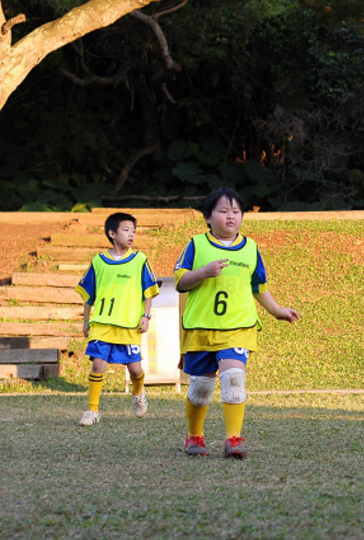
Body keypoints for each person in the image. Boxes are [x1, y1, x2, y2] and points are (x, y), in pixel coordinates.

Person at [175, 188, 299, 458]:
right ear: (208, 218)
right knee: (201, 389)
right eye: (222, 211)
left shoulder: (251, 248)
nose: (230, 216)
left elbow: (259, 287)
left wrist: (276, 310)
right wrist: (204, 273)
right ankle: (194, 436)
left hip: (239, 327)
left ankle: (233, 439)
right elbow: (180, 282)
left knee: (233, 378)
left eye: (236, 211)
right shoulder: (196, 245)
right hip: (201, 328)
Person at [74, 212, 161, 426]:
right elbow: (88, 295)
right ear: (112, 233)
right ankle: (92, 410)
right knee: (98, 365)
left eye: (133, 231)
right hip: (102, 324)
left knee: (135, 369)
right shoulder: (98, 261)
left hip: (129, 325)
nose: (131, 235)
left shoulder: (140, 260)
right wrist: (86, 321)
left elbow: (148, 291)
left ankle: (138, 394)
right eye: (126, 230)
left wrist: (146, 316)